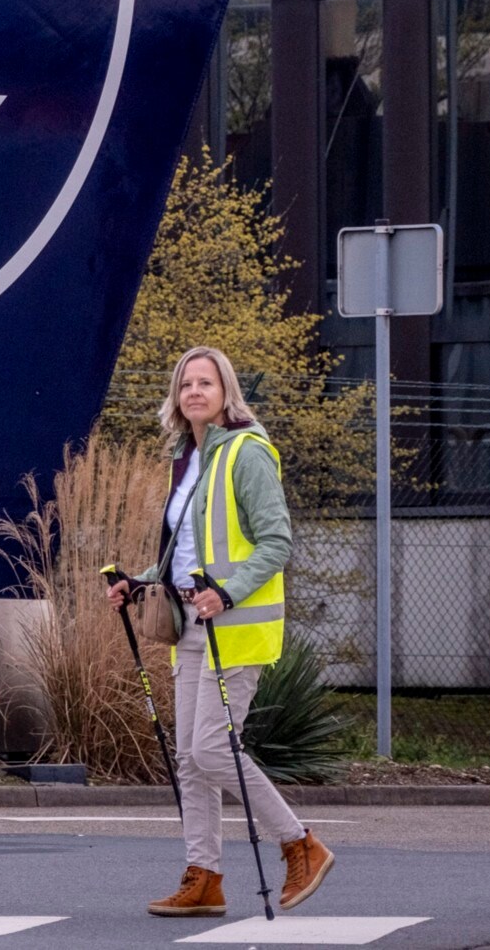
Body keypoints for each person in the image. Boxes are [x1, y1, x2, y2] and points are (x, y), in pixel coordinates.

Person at [105, 345, 336, 918]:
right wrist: (140, 582)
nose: (195, 392)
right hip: (190, 622)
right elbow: (185, 550)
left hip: (235, 624)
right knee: (189, 758)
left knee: (211, 748)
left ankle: (299, 843)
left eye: (205, 383)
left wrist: (228, 591)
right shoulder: (187, 456)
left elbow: (277, 543)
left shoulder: (247, 452)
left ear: (225, 390)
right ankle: (203, 877)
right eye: (186, 385)